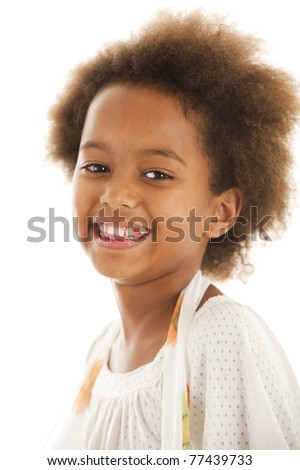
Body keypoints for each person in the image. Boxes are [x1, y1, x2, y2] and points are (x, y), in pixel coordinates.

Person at [45, 10, 300, 450]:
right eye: (97, 166)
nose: (115, 196)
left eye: (157, 174)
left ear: (220, 212)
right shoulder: (100, 353)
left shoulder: (220, 335)